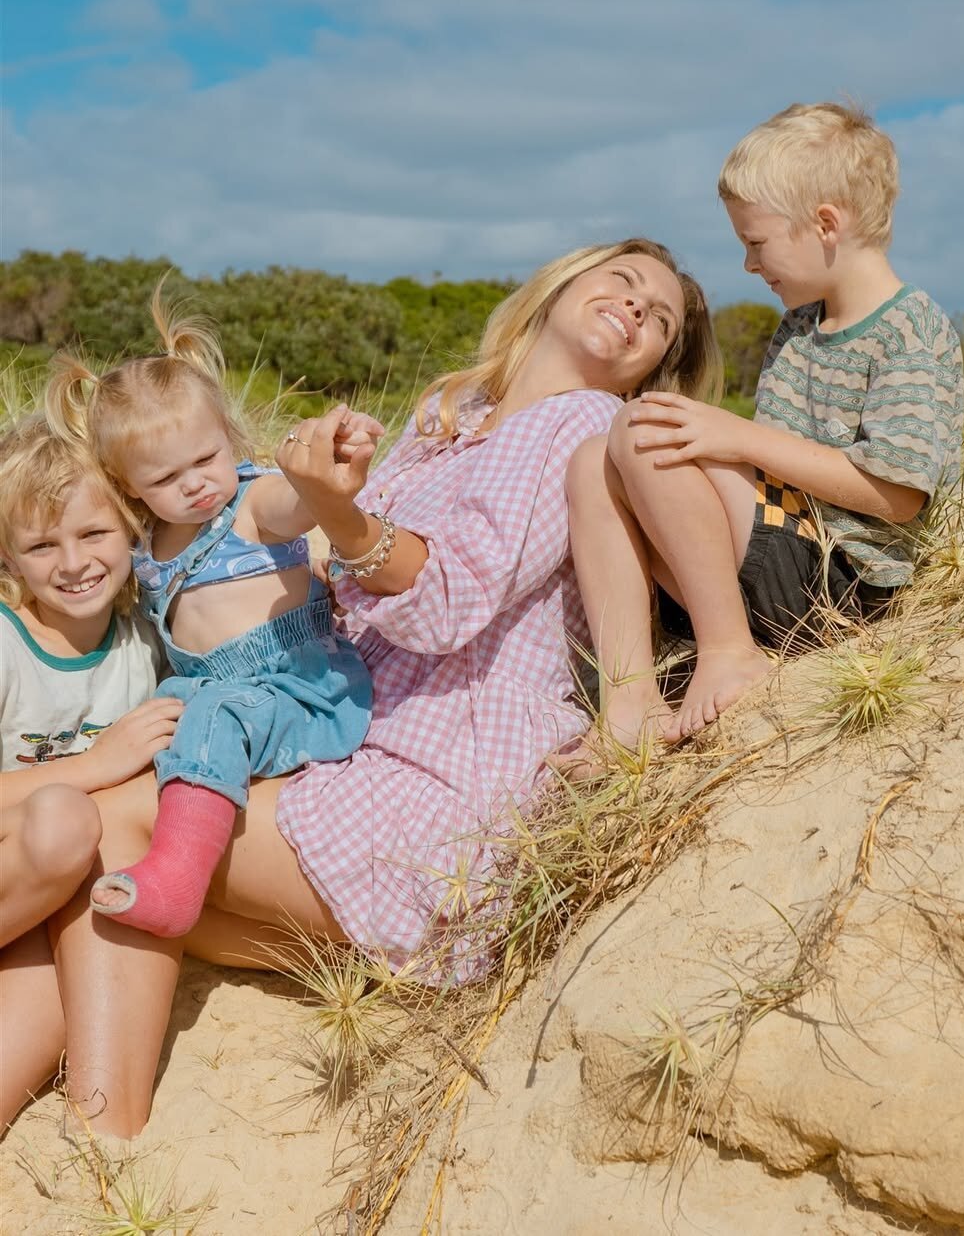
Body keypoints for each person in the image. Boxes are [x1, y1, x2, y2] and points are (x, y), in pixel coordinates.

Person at [5, 238, 717, 1138]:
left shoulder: (576, 420)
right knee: (123, 873)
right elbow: (332, 573)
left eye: (660, 319)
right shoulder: (458, 414)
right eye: (624, 280)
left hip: (438, 777)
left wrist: (336, 512)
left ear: (658, 362)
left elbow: (448, 604)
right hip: (355, 746)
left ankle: (102, 1138)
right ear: (565, 280)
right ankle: (94, 1123)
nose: (638, 308)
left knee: (115, 826)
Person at [566, 103, 964, 748]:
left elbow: (898, 495)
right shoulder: (799, 329)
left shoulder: (910, 331)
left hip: (843, 579)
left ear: (826, 224)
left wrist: (737, 434)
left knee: (640, 430)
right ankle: (628, 694)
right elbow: (764, 477)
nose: (750, 265)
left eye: (756, 242)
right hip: (774, 555)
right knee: (592, 457)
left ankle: (730, 650)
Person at [44, 286, 378, 939]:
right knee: (163, 721)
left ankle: (175, 876)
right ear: (128, 486)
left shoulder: (254, 505)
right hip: (210, 694)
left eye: (206, 459)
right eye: (168, 479)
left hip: (301, 693)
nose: (196, 483)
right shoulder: (147, 545)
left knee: (217, 715)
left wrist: (331, 468)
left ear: (227, 437)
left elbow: (300, 504)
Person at [0, 415, 182, 1127]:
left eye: (94, 534)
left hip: (43, 919)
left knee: (40, 1028)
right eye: (42, 545)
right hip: (22, 869)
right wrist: (95, 764)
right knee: (66, 820)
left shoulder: (145, 645)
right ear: (10, 559)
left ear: (132, 531)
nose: (73, 563)